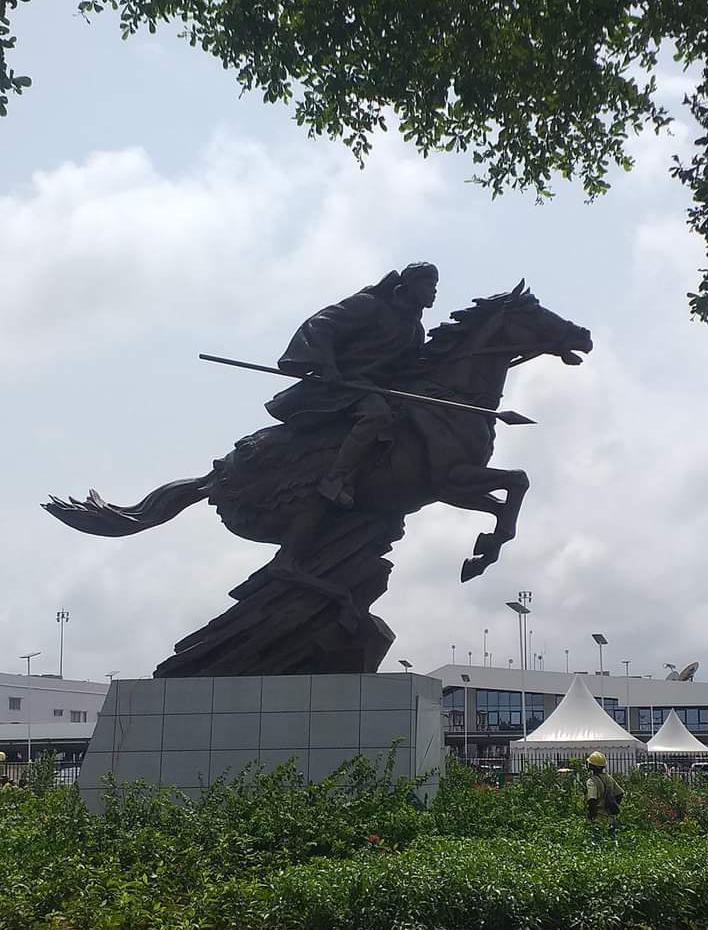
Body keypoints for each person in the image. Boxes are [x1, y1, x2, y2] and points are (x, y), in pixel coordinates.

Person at [266, 262, 439, 508]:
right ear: (409, 285)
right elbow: (321, 324)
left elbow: (405, 371)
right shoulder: (370, 306)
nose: (434, 292)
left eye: (435, 286)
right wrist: (328, 366)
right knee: (376, 415)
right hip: (342, 387)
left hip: (372, 389)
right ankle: (334, 479)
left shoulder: (415, 330)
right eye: (429, 284)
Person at [585, 750, 624, 838]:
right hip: (610, 818)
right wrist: (611, 805)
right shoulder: (609, 778)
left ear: (591, 766)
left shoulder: (592, 781)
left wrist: (592, 815)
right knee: (611, 844)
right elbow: (620, 793)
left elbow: (592, 800)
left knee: (597, 845)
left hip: (599, 820)